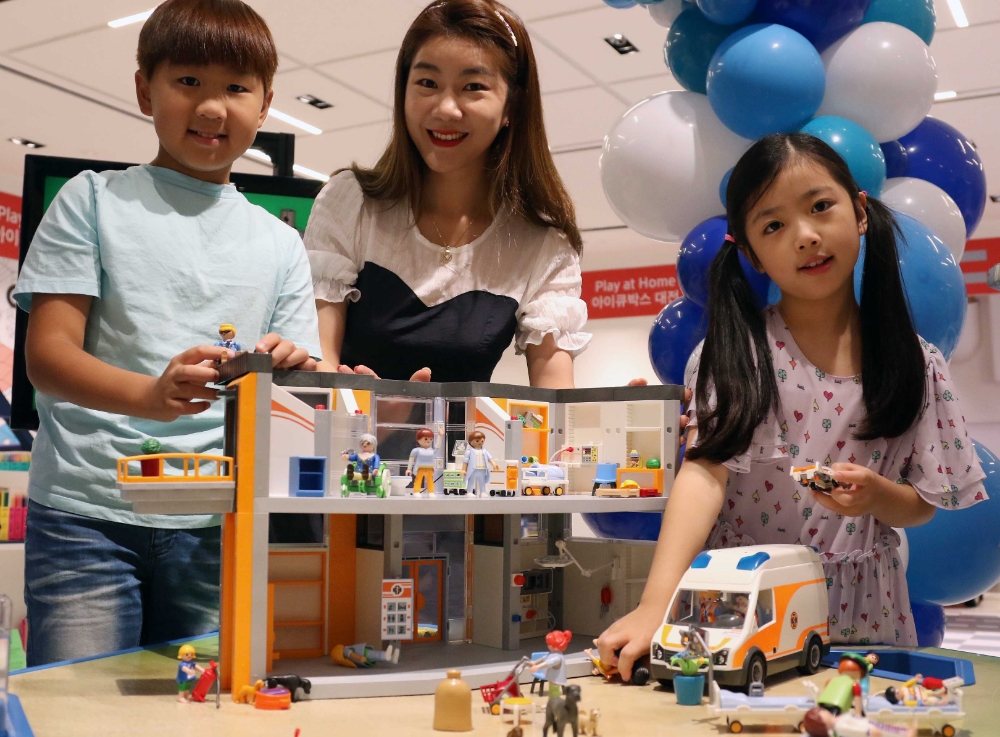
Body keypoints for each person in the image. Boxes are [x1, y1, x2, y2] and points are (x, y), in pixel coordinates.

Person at [596, 132, 988, 681]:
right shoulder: (734, 356)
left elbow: (922, 505)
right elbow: (703, 474)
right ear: (752, 253)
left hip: (864, 611)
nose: (805, 236)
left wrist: (878, 496)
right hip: (744, 604)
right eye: (773, 225)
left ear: (860, 212)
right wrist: (654, 605)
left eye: (820, 206)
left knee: (854, 720)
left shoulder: (915, 363)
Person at [14, 0, 321, 667]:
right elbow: (48, 355)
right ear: (144, 90)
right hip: (86, 514)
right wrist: (152, 395)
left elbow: (296, 392)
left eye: (236, 87)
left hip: (217, 519)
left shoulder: (281, 243)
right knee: (80, 710)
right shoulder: (91, 200)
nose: (212, 107)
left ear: (265, 105)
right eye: (188, 81)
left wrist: (293, 370)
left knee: (201, 710)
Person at [305, 0, 592, 387]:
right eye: (427, 83)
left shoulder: (543, 245)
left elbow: (555, 403)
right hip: (347, 424)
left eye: (473, 87)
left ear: (512, 106)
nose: (445, 109)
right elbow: (318, 366)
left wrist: (613, 413)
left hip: (466, 431)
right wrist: (373, 409)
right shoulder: (351, 202)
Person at [407, 424, 446, 496]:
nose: (428, 441)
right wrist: (409, 469)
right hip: (420, 468)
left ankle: (431, 492)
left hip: (430, 468)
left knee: (430, 481)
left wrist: (440, 436)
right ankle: (416, 491)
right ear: (418, 440)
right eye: (425, 439)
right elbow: (411, 459)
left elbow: (437, 447)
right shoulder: (416, 450)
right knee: (418, 480)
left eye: (430, 439)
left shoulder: (431, 451)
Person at [460, 429, 500, 496]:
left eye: (482, 441)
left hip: (482, 469)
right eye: (477, 441)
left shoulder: (484, 451)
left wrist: (494, 464)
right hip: (473, 469)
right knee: (471, 481)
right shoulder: (469, 452)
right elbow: (465, 461)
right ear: (471, 442)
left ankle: (482, 492)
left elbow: (490, 458)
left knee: (482, 481)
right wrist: (463, 470)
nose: (480, 442)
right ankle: (469, 492)